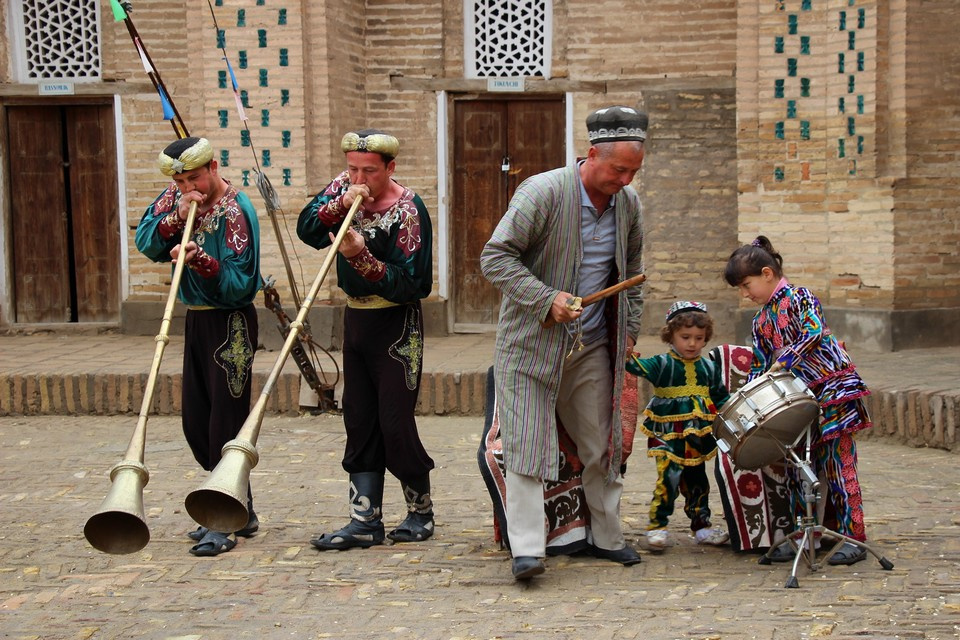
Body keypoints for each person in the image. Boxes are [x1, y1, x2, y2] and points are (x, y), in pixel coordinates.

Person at [480, 105, 647, 580]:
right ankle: (528, 550)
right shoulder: (543, 192)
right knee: (528, 443)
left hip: (593, 343)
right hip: (531, 343)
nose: (626, 180)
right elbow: (494, 258)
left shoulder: (629, 205)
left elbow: (633, 276)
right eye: (619, 169)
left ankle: (607, 536)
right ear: (592, 154)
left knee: (603, 445)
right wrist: (546, 298)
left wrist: (629, 332)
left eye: (634, 171)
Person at [297, 129, 435, 550]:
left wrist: (362, 257)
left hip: (397, 325)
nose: (358, 178)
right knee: (357, 417)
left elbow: (413, 284)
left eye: (369, 171)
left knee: (394, 421)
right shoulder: (343, 189)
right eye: (352, 168)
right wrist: (337, 205)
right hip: (355, 319)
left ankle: (420, 511)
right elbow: (308, 229)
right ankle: (364, 520)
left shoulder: (410, 210)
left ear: (389, 168)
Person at [135, 136, 262, 557]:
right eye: (180, 181)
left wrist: (201, 262)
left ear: (212, 168)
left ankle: (220, 519)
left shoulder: (236, 210)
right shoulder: (176, 197)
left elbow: (240, 282)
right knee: (196, 421)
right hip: (195, 318)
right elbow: (146, 241)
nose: (189, 186)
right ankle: (238, 505)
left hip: (232, 325)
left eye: (194, 178)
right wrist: (176, 216)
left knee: (224, 423)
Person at [722, 235, 873, 565]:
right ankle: (806, 535)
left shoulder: (800, 297)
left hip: (834, 393)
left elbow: (814, 331)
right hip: (797, 402)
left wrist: (786, 360)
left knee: (836, 466)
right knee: (797, 469)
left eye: (747, 285)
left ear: (767, 273)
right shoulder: (760, 320)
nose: (745, 294)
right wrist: (747, 398)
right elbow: (760, 365)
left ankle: (854, 537)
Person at [624, 301, 731, 551]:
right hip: (667, 435)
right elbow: (634, 366)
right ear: (670, 335)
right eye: (685, 337)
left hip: (698, 438)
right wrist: (626, 353)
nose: (692, 343)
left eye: (699, 338)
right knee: (669, 479)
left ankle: (702, 526)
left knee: (697, 480)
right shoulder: (661, 364)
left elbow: (721, 397)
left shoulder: (710, 367)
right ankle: (657, 526)